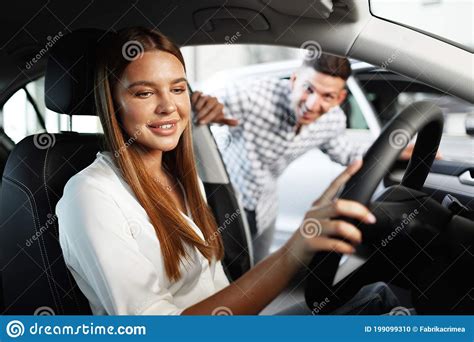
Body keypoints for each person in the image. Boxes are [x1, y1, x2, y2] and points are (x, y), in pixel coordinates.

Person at [56, 27, 396, 315]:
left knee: (377, 297)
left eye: (177, 89)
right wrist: (295, 249)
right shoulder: (90, 195)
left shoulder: (180, 180)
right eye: (144, 92)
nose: (169, 106)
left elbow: (218, 288)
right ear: (111, 102)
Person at [191, 54, 438, 263]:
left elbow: (349, 155)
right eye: (308, 89)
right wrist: (208, 104)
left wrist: (406, 149)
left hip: (266, 206)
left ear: (340, 98)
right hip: (226, 202)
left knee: (255, 271)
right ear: (295, 80)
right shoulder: (252, 95)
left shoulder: (332, 122)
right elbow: (216, 101)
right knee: (222, 272)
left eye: (327, 96)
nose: (312, 104)